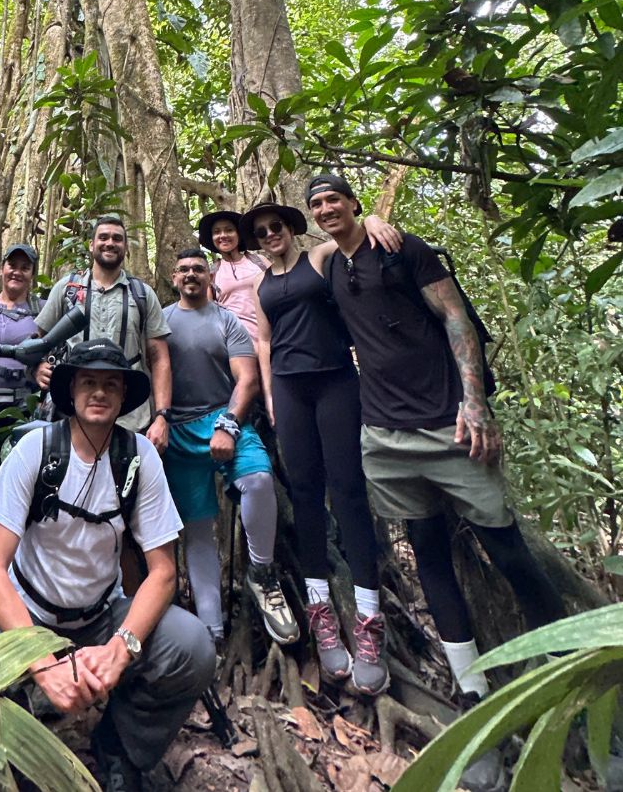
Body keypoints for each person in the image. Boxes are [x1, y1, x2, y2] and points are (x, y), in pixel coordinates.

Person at [305, 172, 565, 763]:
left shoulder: (405, 250)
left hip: (451, 427)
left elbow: (456, 318)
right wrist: (358, 226)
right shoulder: (334, 266)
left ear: (354, 202)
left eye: (334, 200)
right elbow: (307, 255)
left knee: (508, 550)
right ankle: (472, 690)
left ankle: (568, 672)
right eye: (316, 203)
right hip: (384, 434)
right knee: (428, 556)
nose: (325, 209)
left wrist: (475, 403)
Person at [0, 339, 215, 792]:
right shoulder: (35, 451)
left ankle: (121, 749)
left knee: (191, 648)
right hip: (27, 614)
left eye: (111, 384)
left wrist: (120, 648)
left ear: (123, 396)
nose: (98, 392)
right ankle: (21, 757)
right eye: (88, 382)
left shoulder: (139, 459)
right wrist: (42, 664)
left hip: (100, 614)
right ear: (71, 391)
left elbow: (164, 572)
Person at [247, 201, 396, 693]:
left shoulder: (318, 258)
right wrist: (270, 394)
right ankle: (321, 615)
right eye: (262, 231)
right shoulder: (260, 283)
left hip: (335, 381)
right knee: (306, 494)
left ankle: (369, 620)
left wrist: (371, 219)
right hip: (290, 389)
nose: (271, 235)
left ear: (291, 229)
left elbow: (352, 234)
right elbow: (264, 342)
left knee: (348, 491)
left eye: (277, 227)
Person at [162, 246, 297, 648]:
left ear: (210, 277)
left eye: (198, 269)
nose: (191, 274)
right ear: (174, 278)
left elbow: (247, 378)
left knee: (258, 480)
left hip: (226, 419)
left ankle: (262, 573)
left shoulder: (227, 320)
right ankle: (211, 630)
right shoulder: (161, 321)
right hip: (178, 430)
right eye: (183, 269)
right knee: (197, 528)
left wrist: (228, 424)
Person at [34, 215, 172, 444]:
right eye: (103, 237)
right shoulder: (67, 288)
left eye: (117, 239)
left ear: (126, 247)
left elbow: (159, 358)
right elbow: (38, 340)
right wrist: (38, 367)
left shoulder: (142, 294)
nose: (110, 243)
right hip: (72, 410)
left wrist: (161, 416)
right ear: (91, 245)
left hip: (130, 416)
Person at [0, 242, 44, 498]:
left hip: (21, 410)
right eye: (12, 265)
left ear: (32, 274)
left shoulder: (42, 310)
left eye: (25, 267)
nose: (17, 272)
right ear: (2, 268)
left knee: (12, 484)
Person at [196, 210, 269, 344]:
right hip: (237, 344)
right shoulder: (211, 274)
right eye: (217, 232)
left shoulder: (260, 262)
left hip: (274, 337)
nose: (223, 235)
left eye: (229, 230)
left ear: (238, 234)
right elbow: (209, 315)